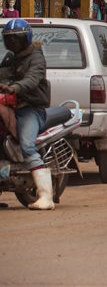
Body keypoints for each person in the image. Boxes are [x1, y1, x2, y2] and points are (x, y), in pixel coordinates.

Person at [0, 19, 54, 209]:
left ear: (26, 38)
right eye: (9, 39)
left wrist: (15, 87)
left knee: (27, 145)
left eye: (16, 39)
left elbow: (32, 78)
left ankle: (46, 197)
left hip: (30, 109)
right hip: (10, 107)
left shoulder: (37, 57)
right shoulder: (9, 58)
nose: (13, 42)